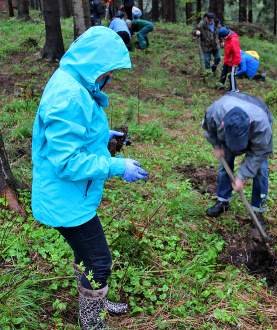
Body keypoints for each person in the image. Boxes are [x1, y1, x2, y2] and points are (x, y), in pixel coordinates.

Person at [31, 26, 149, 329]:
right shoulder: (69, 96)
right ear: (95, 65)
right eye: (108, 71)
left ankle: (94, 297)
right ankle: (91, 320)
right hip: (65, 200)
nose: (109, 78)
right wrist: (116, 166)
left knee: (86, 253)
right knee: (99, 260)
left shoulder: (74, 80)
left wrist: (99, 137)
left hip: (70, 196)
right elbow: (67, 162)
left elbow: (71, 135)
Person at [202, 92, 273, 226]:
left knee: (261, 169)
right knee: (225, 162)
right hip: (228, 119)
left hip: (258, 113)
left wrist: (242, 176)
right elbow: (208, 128)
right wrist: (216, 145)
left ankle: (257, 211)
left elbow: (259, 153)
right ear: (223, 124)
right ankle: (223, 200)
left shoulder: (262, 127)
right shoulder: (215, 112)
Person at [218, 27, 241, 92]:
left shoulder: (233, 40)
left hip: (233, 62)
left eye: (222, 38)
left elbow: (237, 53)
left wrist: (235, 63)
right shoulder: (227, 38)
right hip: (227, 60)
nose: (222, 39)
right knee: (224, 72)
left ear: (225, 36)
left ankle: (234, 90)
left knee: (231, 76)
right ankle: (220, 85)